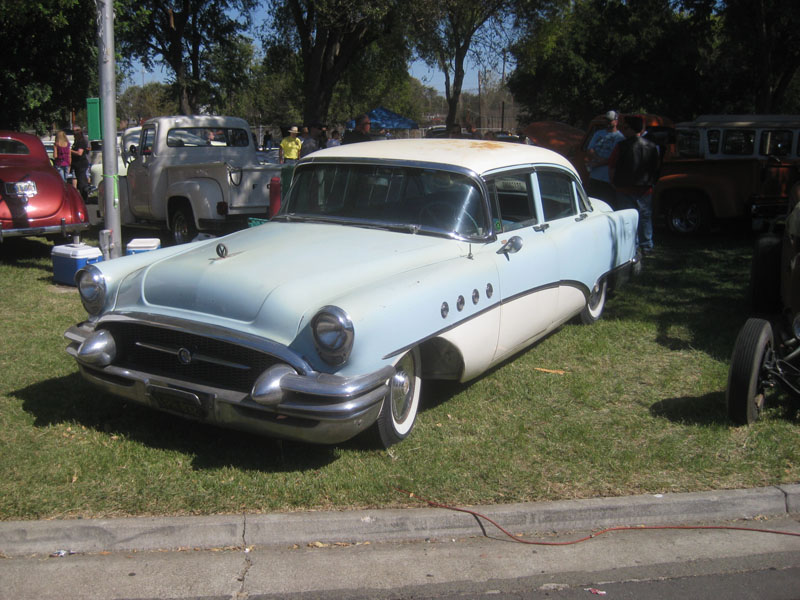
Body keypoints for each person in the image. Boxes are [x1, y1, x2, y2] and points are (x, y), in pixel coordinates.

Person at [609, 115, 661, 255]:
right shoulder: (652, 146)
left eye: (625, 127)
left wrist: (613, 182)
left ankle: (633, 245)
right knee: (645, 217)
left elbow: (612, 165)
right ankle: (647, 245)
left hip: (624, 187)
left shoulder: (621, 146)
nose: (623, 130)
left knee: (628, 219)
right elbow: (656, 166)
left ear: (631, 129)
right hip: (645, 187)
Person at [585, 110, 625, 207]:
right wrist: (597, 158)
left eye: (610, 120)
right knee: (591, 201)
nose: (607, 123)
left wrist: (598, 163)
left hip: (607, 178)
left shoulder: (620, 138)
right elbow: (590, 148)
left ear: (616, 121)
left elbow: (615, 158)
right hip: (594, 175)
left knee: (606, 202)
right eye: (606, 120)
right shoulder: (599, 133)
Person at [70, 126, 90, 202]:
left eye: (76, 131)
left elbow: (79, 153)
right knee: (78, 181)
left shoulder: (82, 141)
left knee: (82, 181)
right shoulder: (76, 142)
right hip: (76, 164)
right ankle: (82, 196)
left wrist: (70, 151)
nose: (74, 134)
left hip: (81, 164)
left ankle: (85, 198)